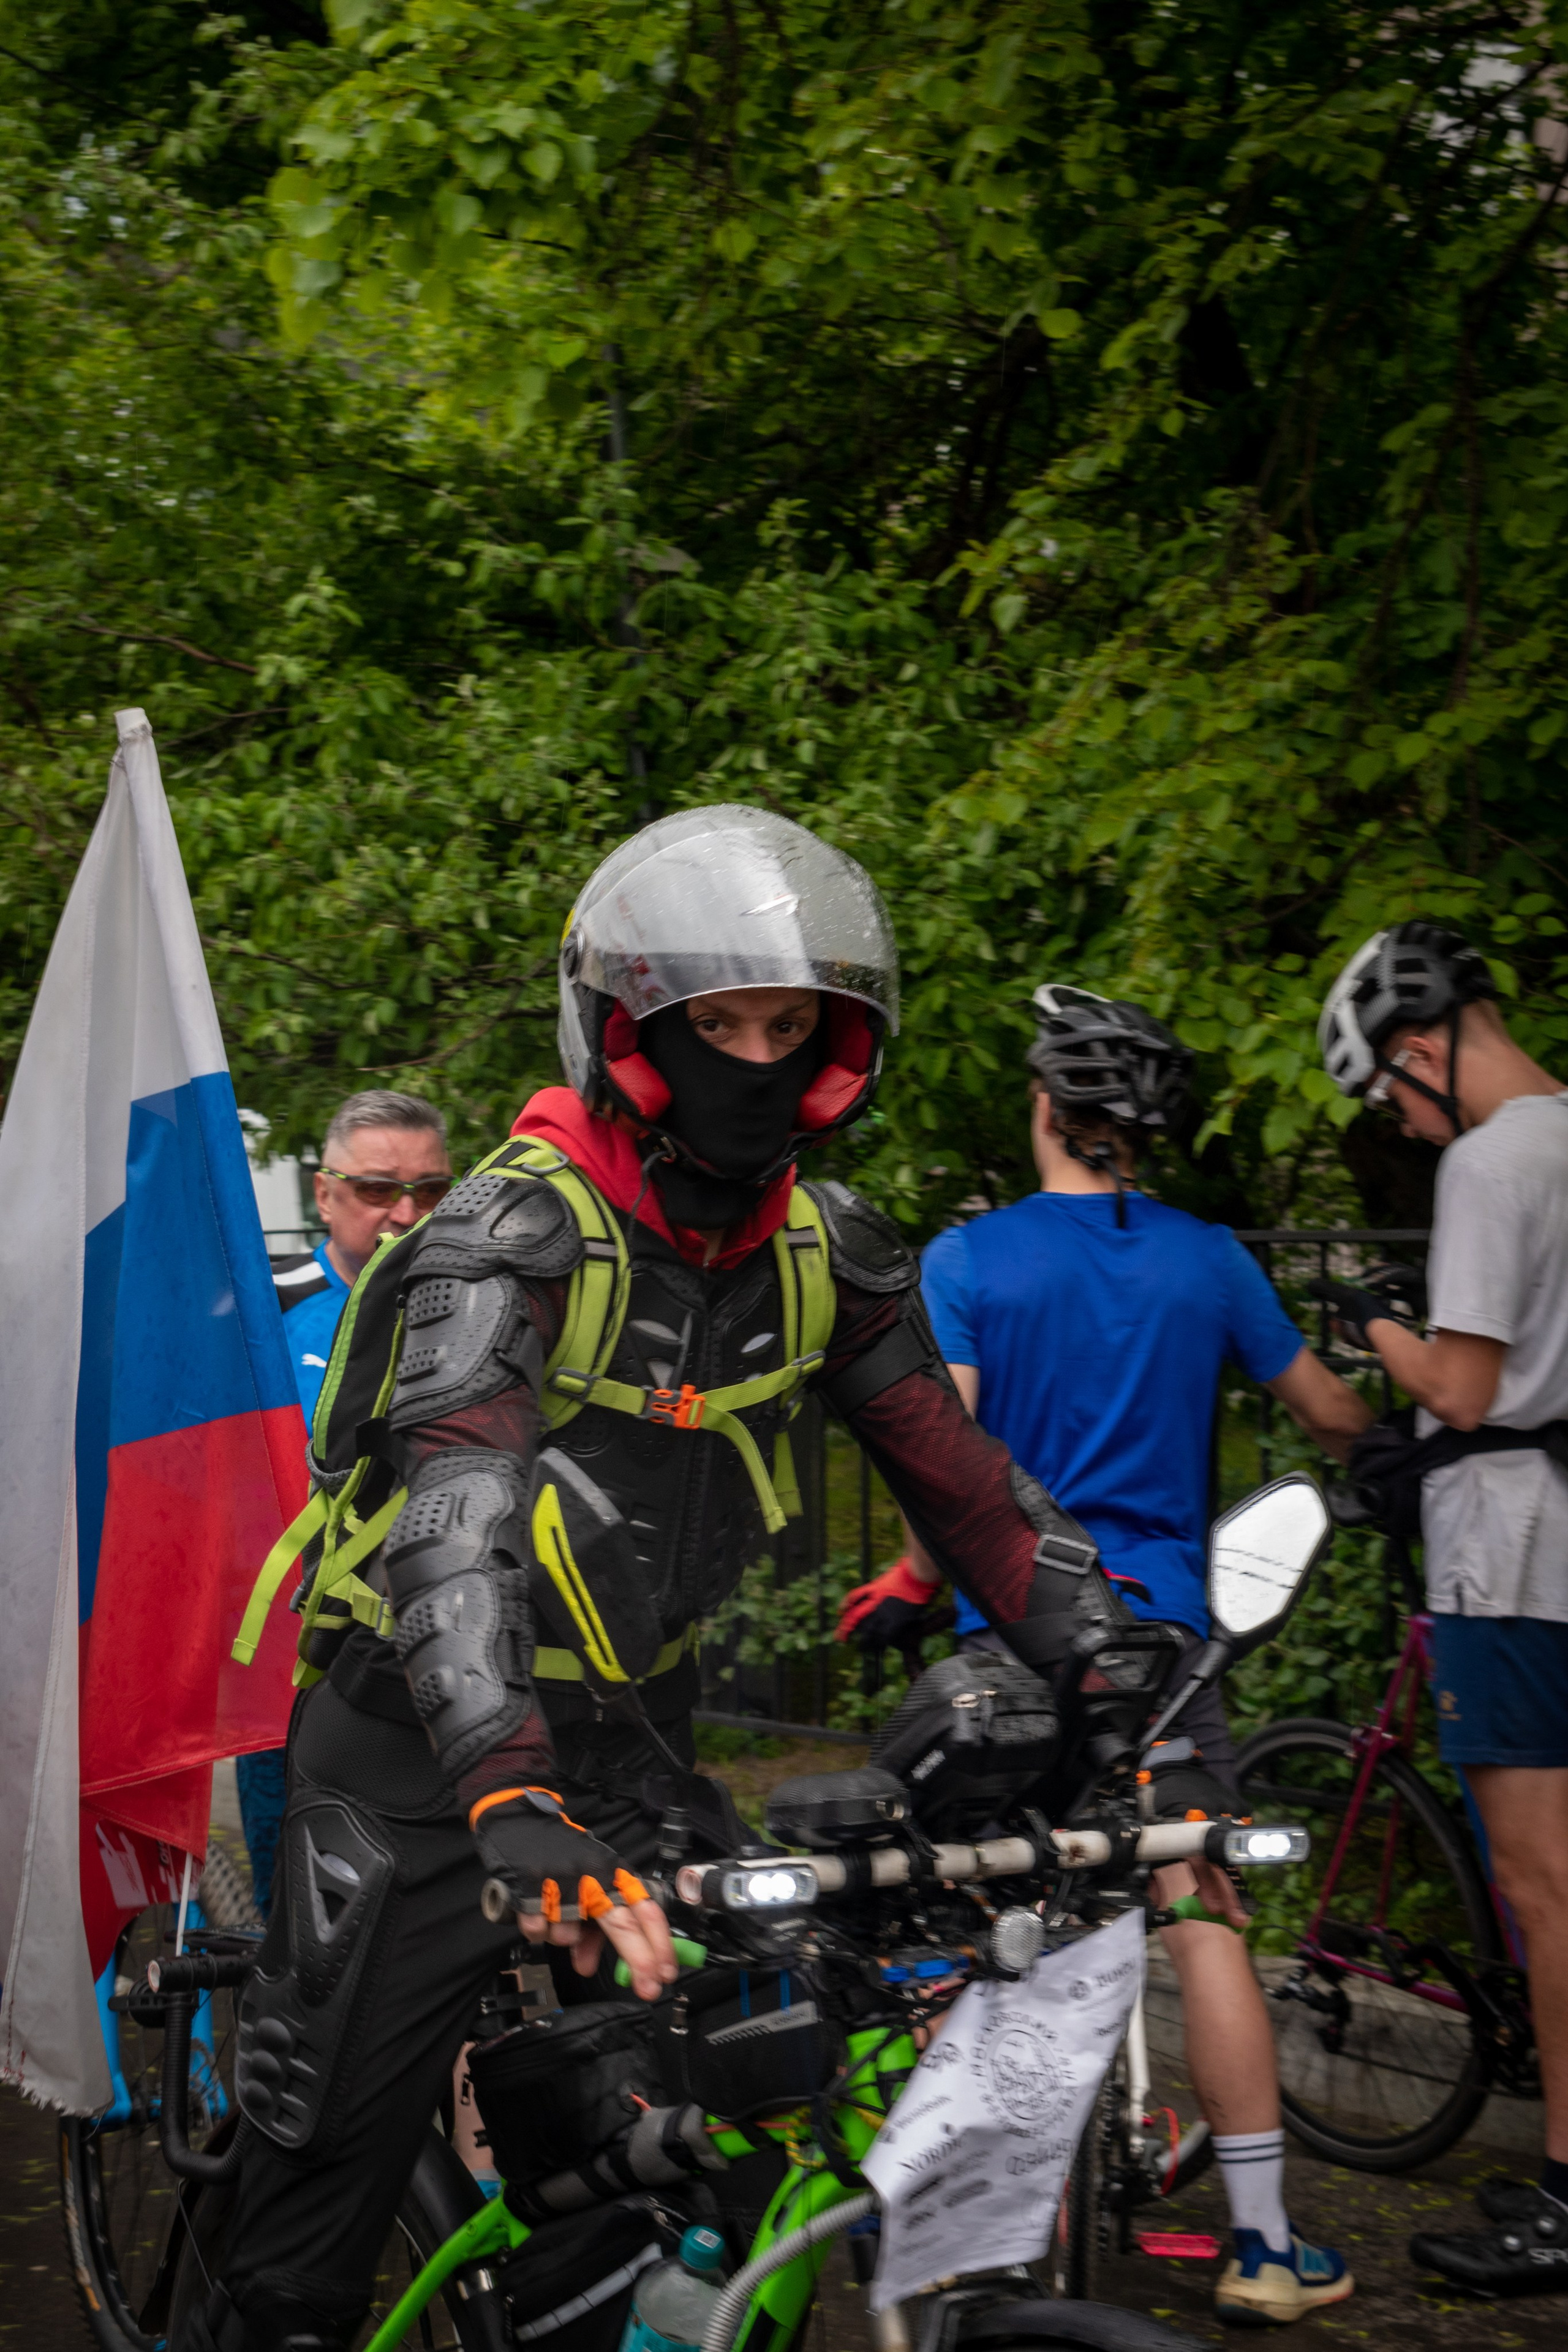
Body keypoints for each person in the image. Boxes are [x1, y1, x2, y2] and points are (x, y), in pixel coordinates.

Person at [196, 808, 1158, 2352]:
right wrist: (509, 1799)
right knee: (311, 2202)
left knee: (703, 2134)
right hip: (417, 1760)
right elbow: (455, 1533)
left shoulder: (821, 1254)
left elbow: (972, 1495)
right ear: (631, 1031)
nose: (758, 1057)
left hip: (637, 1746)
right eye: (719, 1022)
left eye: (792, 1025)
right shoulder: (500, 1240)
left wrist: (1116, 1671)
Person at [840, 985, 1371, 2326]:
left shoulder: (969, 1262)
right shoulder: (1209, 1259)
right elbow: (1328, 1413)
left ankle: (973, 2234)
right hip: (1166, 1646)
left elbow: (941, 1448)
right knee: (1196, 1903)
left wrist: (912, 1578)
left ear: (1042, 1107)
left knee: (980, 1902)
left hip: (1017, 1637)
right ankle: (1258, 2244)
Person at [1315, 919, 1568, 2299]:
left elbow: (1461, 1392)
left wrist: (1373, 1323)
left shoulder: (1489, 1160)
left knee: (1541, 1887)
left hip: (1509, 1557)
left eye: (1390, 1100)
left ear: (1419, 1049)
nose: (1403, 1129)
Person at [238, 1093, 453, 1914]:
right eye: (376, 1190)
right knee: (293, 1902)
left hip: (445, 1644)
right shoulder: (261, 1308)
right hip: (296, 1658)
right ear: (325, 1195)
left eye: (431, 1191)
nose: (405, 1213)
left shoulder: (484, 1299)